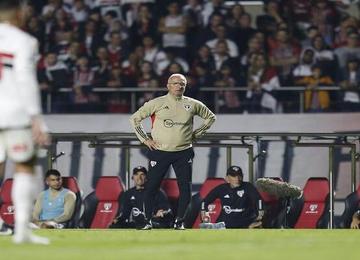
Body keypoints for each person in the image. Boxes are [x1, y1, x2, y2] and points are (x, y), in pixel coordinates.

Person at [130, 73, 216, 230]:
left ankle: (179, 221)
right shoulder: (157, 103)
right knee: (151, 188)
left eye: (182, 84)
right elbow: (135, 119)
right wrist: (145, 140)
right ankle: (147, 221)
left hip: (183, 152)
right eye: (175, 83)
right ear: (168, 86)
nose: (179, 86)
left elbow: (211, 117)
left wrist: (197, 134)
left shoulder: (192, 104)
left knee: (186, 189)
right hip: (160, 151)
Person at [0, 0, 50, 244]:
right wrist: (37, 119)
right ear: (19, 13)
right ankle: (21, 231)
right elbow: (26, 80)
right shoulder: (24, 41)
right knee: (24, 166)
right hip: (13, 114)